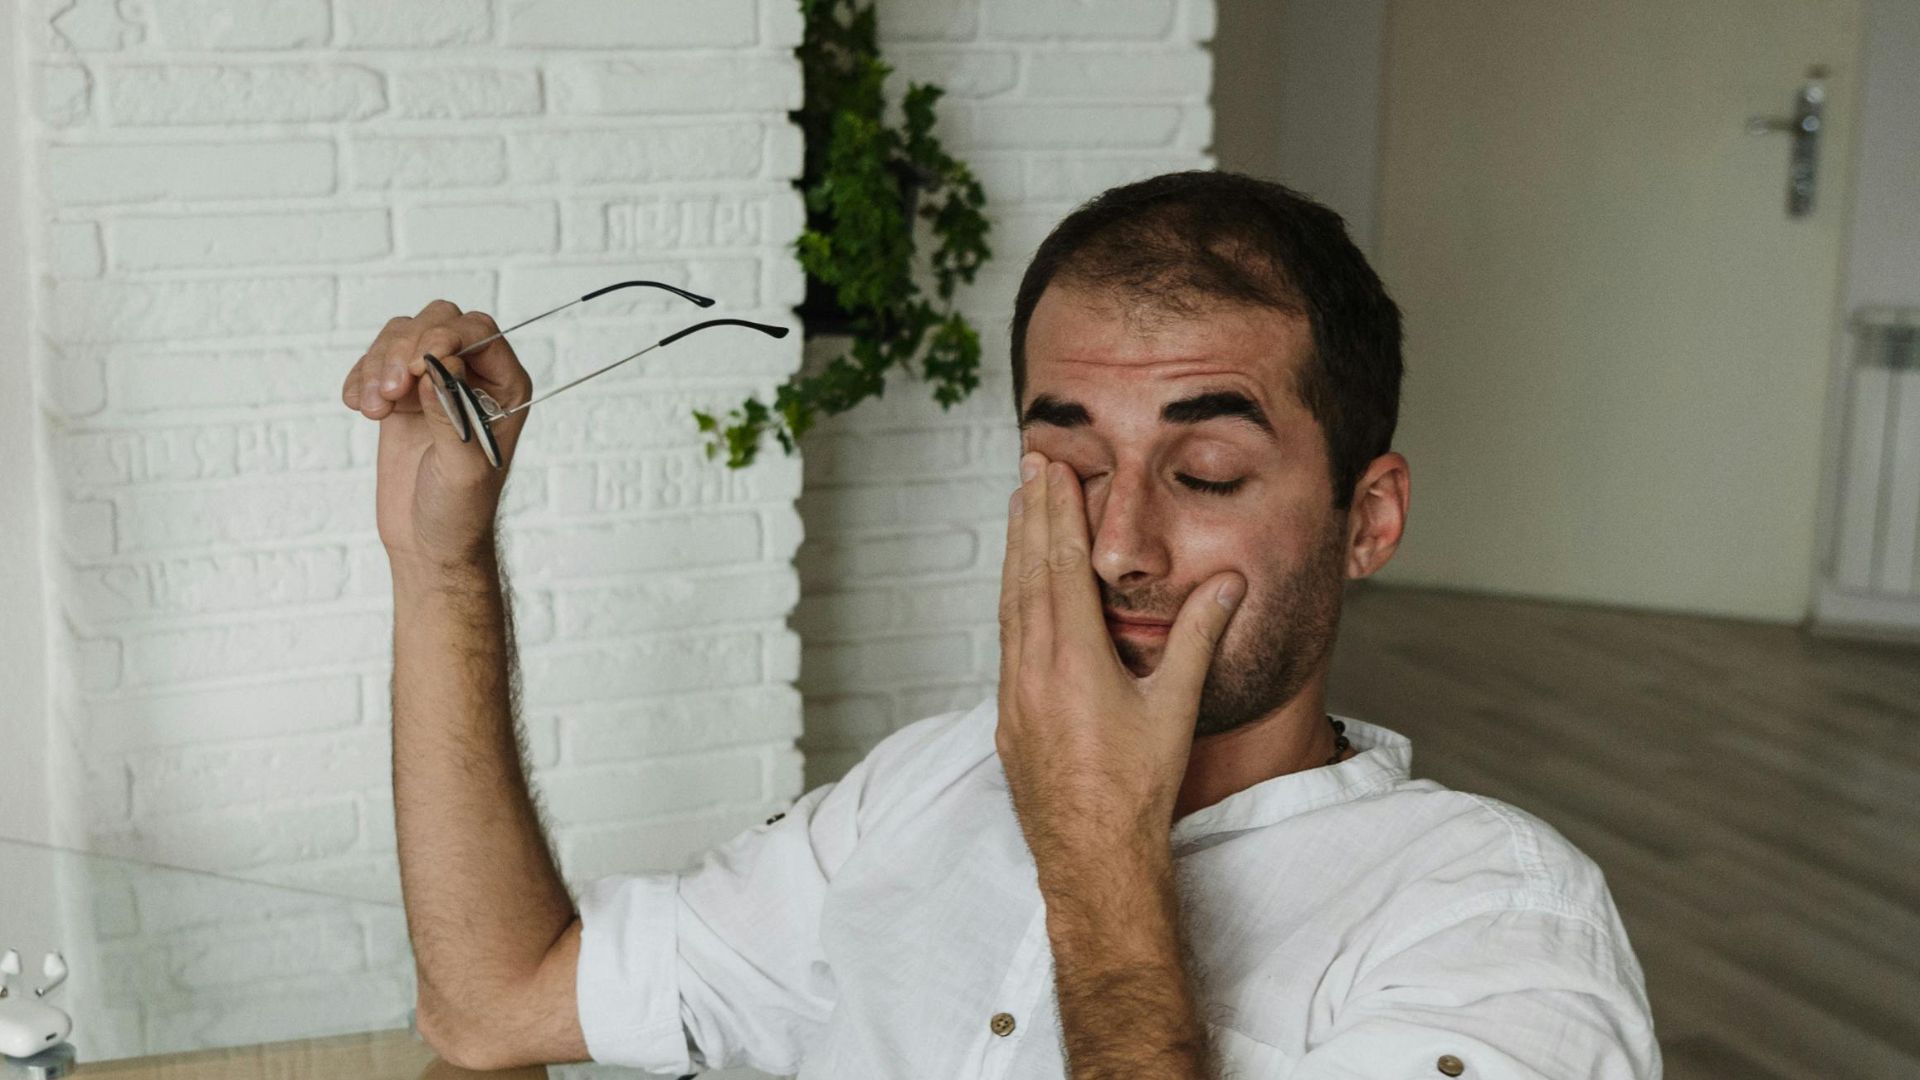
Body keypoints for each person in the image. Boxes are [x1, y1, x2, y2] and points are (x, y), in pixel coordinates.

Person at [341, 170, 1661, 1079]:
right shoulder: (928, 787)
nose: (1119, 543)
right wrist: (438, 567)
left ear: (1368, 520)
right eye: (1070, 469)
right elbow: (495, 1002)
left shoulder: (1486, 916)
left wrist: (1096, 843)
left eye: (1204, 476)